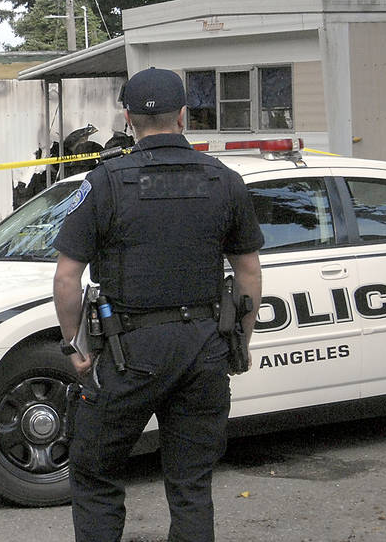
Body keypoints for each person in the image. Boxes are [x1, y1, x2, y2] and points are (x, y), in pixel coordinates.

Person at [52, 67, 264, 542]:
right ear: (183, 116)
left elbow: (67, 277)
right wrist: (240, 344)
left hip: (130, 353)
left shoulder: (106, 181)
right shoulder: (224, 179)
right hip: (204, 349)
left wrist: (74, 348)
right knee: (191, 486)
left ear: (128, 119)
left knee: (95, 474)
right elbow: (248, 271)